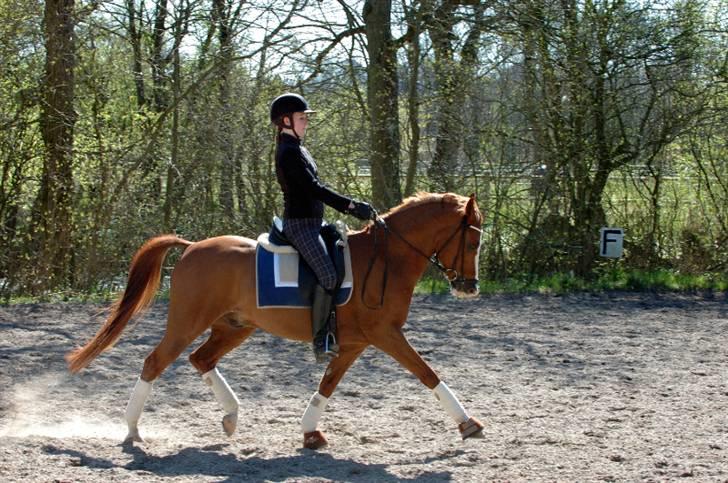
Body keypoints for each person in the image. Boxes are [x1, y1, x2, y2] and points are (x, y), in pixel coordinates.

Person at [270, 92, 374, 362]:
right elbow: (314, 189)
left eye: (305, 118)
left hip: (316, 223)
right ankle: (321, 339)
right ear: (286, 120)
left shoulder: (300, 149)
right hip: (300, 226)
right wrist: (350, 206)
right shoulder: (288, 152)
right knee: (327, 276)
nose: (306, 123)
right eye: (302, 118)